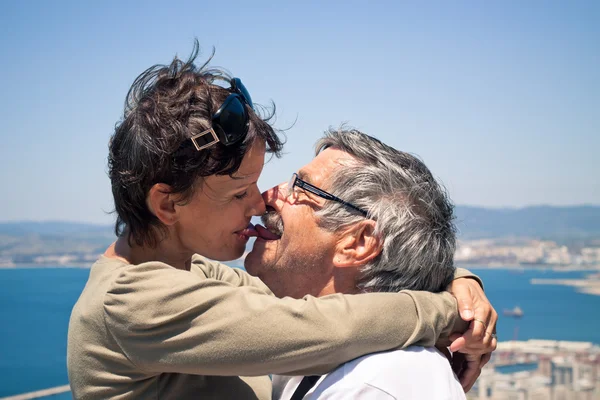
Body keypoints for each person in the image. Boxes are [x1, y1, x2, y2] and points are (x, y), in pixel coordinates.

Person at [67, 42, 496, 399]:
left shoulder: (187, 276)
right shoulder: (132, 303)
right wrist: (445, 311)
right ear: (168, 206)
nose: (261, 202)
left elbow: (308, 304)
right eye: (240, 192)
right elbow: (318, 328)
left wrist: (457, 281)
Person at [245, 129, 497, 399]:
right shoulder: (322, 350)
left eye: (300, 188)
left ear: (359, 242)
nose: (266, 197)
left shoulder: (380, 384)